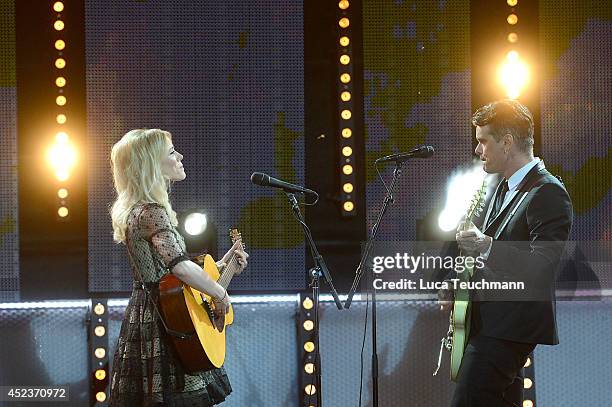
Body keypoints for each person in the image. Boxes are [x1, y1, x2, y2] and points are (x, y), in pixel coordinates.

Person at [108, 129, 249, 406]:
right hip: (167, 322)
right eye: (172, 152)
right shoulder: (151, 211)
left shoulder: (137, 210)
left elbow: (170, 276)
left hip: (153, 311)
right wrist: (221, 295)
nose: (180, 156)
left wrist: (222, 266)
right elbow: (181, 269)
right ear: (151, 164)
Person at [448, 100, 573, 406]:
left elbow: (542, 266)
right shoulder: (504, 187)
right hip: (490, 322)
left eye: (483, 141)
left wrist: (487, 246)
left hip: (509, 328)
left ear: (506, 142)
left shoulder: (548, 192)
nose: (478, 151)